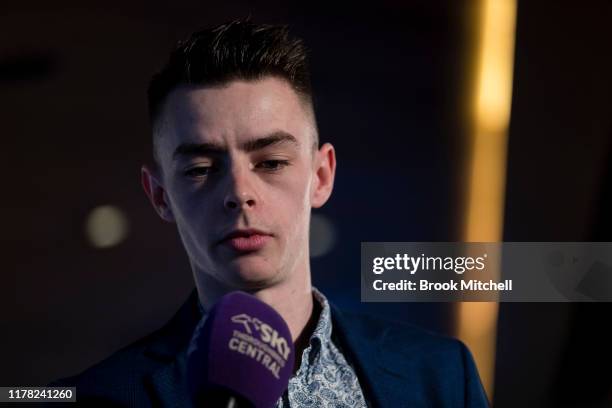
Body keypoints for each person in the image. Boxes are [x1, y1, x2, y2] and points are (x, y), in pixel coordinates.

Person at [51, 19, 489, 407]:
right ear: (160, 196)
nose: (240, 193)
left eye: (271, 163)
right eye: (202, 169)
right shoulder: (96, 399)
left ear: (321, 176)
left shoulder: (442, 374)